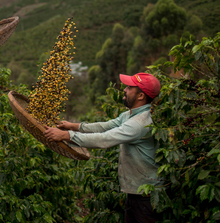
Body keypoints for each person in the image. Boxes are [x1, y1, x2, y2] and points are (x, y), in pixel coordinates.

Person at [43, 73, 163, 223]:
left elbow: (105, 138)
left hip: (146, 195)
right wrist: (74, 126)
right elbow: (105, 126)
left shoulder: (140, 123)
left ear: (140, 96)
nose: (124, 90)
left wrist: (67, 135)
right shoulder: (129, 115)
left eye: (129, 87)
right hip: (136, 191)